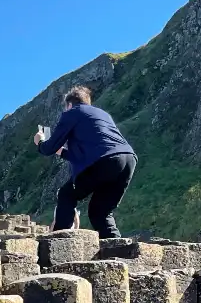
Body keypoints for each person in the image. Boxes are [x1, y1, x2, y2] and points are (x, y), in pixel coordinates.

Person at [34, 86, 137, 239]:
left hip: (103, 160)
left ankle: (58, 242)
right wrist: (61, 151)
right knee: (100, 212)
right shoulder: (102, 115)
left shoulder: (72, 113)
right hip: (128, 159)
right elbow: (93, 151)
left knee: (66, 194)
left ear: (69, 104)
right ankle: (120, 249)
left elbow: (49, 147)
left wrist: (40, 142)